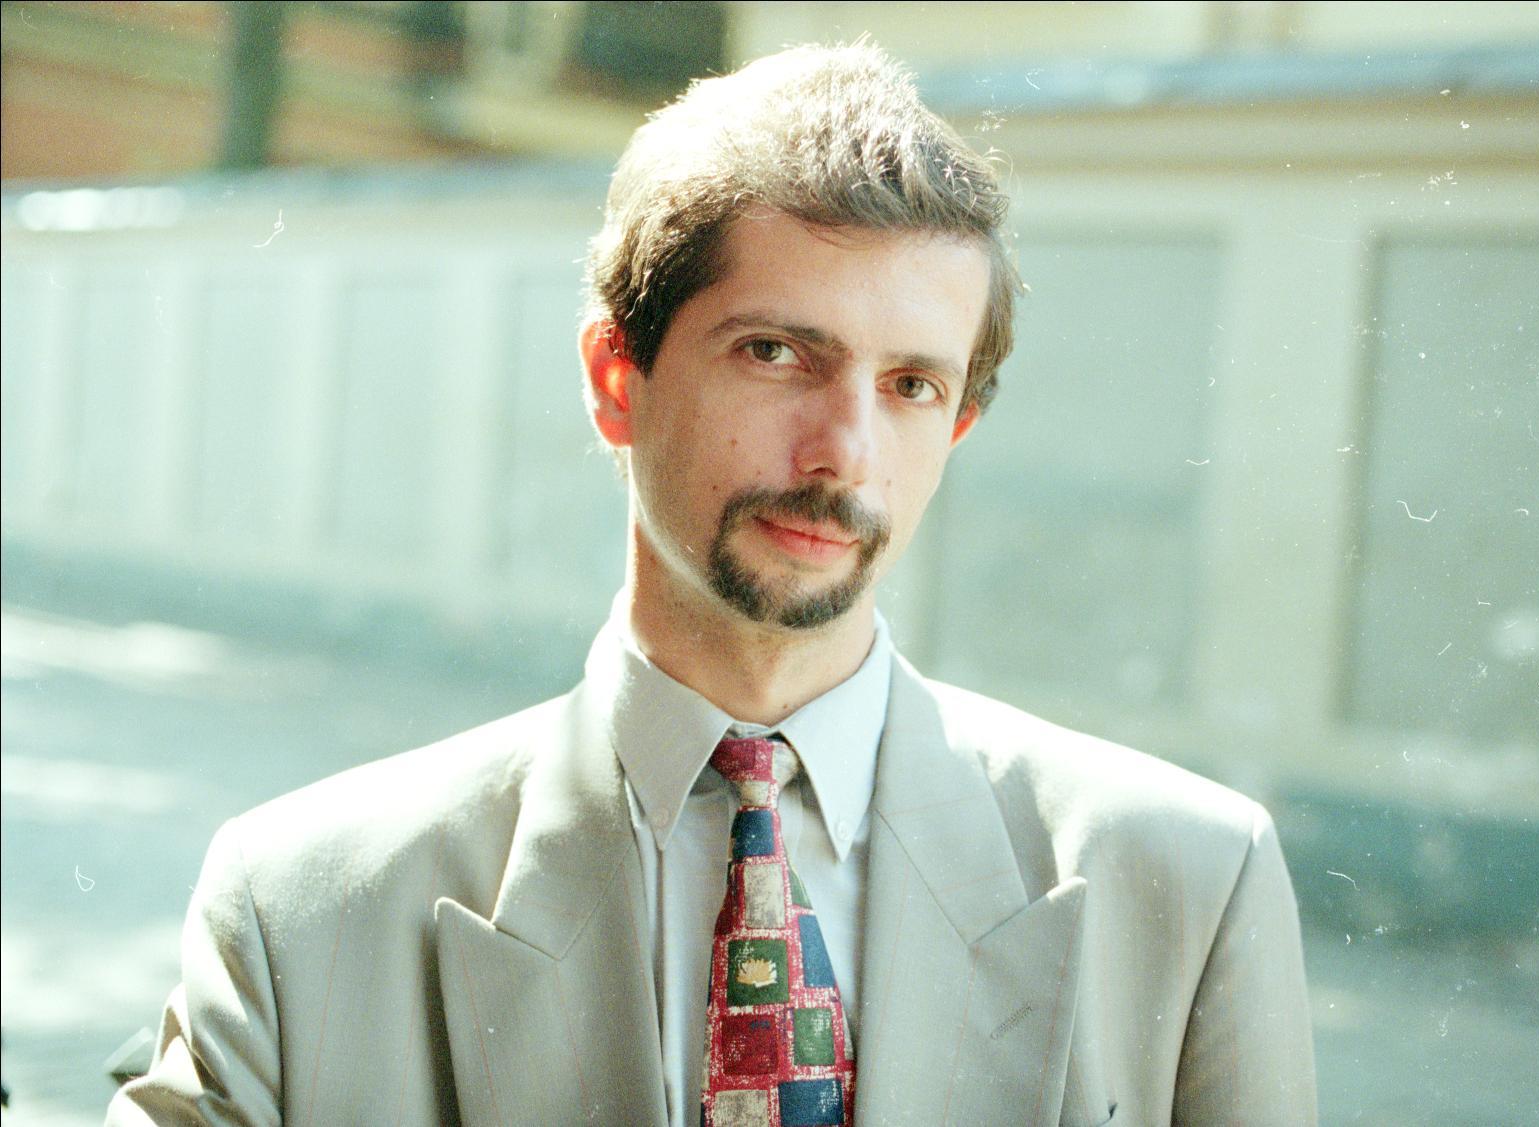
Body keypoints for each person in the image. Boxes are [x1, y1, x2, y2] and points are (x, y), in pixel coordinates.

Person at [110, 43, 1315, 1126]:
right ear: (615, 377)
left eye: (911, 386)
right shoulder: (302, 913)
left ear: (957, 427)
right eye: (776, 353)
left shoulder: (1189, 887)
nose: (844, 451)